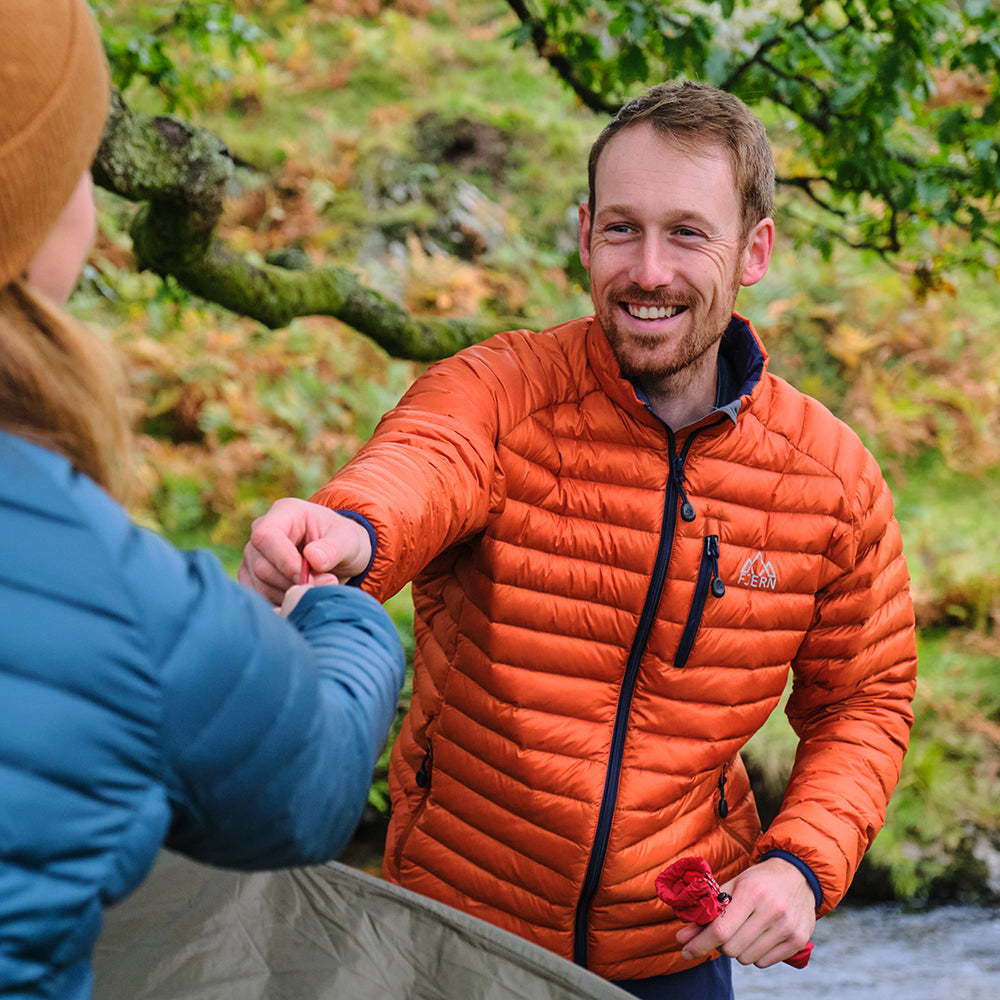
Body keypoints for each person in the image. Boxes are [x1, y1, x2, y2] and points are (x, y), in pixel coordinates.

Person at [240, 80, 918, 999]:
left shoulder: (831, 481)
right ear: (586, 232)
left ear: (754, 249)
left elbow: (865, 701)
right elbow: (421, 464)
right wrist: (346, 533)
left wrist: (802, 864)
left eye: (687, 232)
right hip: (449, 943)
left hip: (669, 959)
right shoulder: (503, 390)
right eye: (621, 229)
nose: (647, 270)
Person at [0, 3, 406, 998]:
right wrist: (338, 613)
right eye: (82, 170)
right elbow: (307, 784)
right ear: (39, 213)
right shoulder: (103, 587)